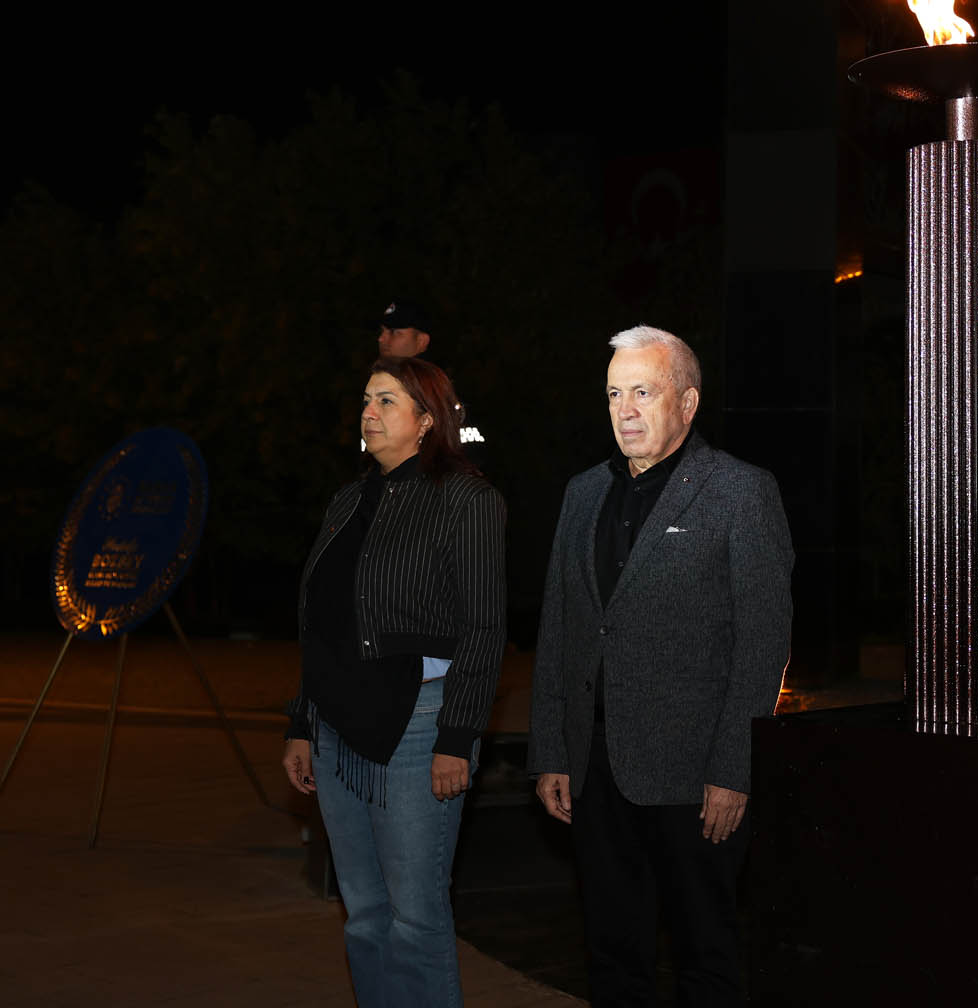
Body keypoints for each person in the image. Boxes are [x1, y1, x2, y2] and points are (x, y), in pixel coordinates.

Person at [529, 325, 793, 1007]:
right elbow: (560, 629)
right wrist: (551, 750)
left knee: (706, 955)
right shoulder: (583, 493)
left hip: (693, 779)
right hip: (594, 771)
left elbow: (762, 643)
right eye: (614, 394)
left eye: (643, 392)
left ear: (687, 402)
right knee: (612, 955)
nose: (625, 410)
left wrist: (733, 770)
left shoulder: (739, 491)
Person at [282, 355, 506, 1008]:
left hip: (419, 725)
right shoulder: (347, 500)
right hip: (335, 727)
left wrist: (457, 737)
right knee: (363, 913)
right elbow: (320, 624)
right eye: (365, 400)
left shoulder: (466, 498)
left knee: (415, 916)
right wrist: (301, 723)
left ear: (426, 420)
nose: (369, 413)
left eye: (386, 401)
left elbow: (485, 628)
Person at [373, 298, 488, 460]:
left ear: (421, 341)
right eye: (382, 331)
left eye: (394, 332)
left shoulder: (441, 390)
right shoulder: (376, 389)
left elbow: (469, 453)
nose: (382, 339)